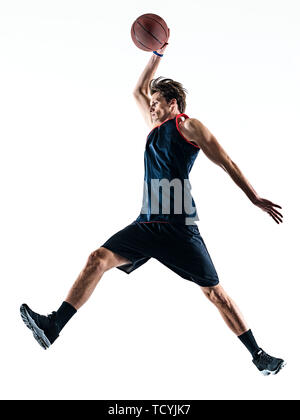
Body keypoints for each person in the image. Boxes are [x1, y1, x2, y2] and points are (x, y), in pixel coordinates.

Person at [20, 37, 285, 376]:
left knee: (215, 294)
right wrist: (157, 54)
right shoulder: (155, 129)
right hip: (147, 223)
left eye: (157, 102)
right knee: (97, 259)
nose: (151, 107)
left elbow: (226, 160)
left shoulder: (187, 126)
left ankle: (258, 355)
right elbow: (138, 90)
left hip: (179, 228)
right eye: (151, 104)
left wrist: (254, 197)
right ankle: (53, 326)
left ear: (173, 102)